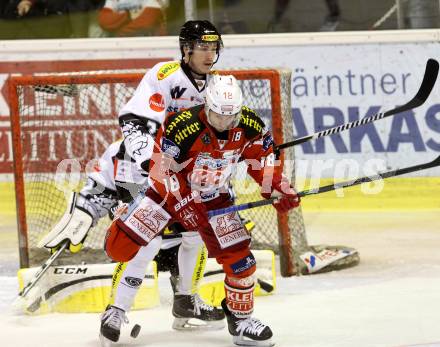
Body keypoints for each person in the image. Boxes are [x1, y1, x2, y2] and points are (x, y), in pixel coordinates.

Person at [40, 20, 230, 345]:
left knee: (195, 232)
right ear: (186, 50)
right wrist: (152, 162)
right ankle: (115, 311)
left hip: (180, 173)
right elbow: (135, 123)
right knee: (147, 238)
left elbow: (220, 134)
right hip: (136, 166)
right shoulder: (165, 75)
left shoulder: (216, 86)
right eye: (203, 47)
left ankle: (186, 302)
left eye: (214, 47)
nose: (209, 54)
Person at [105, 75, 301, 346]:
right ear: (207, 106)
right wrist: (183, 202)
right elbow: (161, 170)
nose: (225, 122)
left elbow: (263, 161)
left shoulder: (250, 124)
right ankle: (116, 310)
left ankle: (241, 322)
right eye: (219, 116)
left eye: (231, 116)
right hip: (168, 195)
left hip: (213, 198)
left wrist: (277, 187)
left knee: (241, 262)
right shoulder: (182, 126)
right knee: (121, 247)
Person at [98, 0, 168, 37]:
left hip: (152, 44)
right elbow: (104, 21)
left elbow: (148, 21)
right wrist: (130, 15)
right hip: (122, 45)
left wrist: (119, 32)